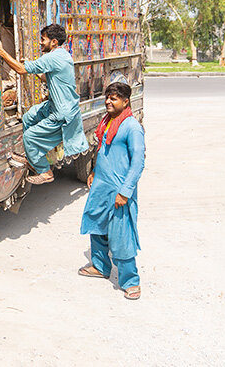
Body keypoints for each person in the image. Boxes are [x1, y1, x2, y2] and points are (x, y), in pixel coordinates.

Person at [0, 23, 88, 184]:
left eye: (43, 39)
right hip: (55, 105)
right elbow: (47, 78)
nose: (41, 43)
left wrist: (1, 52)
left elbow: (21, 70)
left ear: (54, 42)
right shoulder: (62, 55)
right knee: (29, 117)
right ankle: (33, 156)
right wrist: (33, 70)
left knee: (29, 136)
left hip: (62, 112)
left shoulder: (53, 57)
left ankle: (45, 171)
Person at [79, 82, 145, 300]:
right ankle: (100, 266)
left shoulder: (131, 127)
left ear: (125, 101)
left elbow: (137, 163)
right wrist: (93, 171)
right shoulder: (107, 122)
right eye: (107, 97)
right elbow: (102, 149)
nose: (108, 101)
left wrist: (125, 192)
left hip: (119, 190)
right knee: (96, 225)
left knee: (121, 234)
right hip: (101, 186)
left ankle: (130, 281)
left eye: (114, 98)